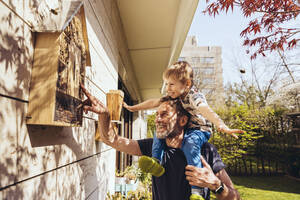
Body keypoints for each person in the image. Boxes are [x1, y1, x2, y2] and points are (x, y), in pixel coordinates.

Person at [80, 85, 241, 200]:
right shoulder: (153, 147)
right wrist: (105, 114)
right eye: (156, 114)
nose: (157, 119)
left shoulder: (206, 151)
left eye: (164, 114)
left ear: (183, 120)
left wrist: (216, 185)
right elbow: (112, 140)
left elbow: (236, 198)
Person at [123, 61, 244, 199]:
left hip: (199, 129)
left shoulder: (194, 96)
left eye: (171, 84)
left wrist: (220, 124)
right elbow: (153, 102)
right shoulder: (173, 96)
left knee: (190, 144)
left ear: (186, 84)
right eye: (166, 84)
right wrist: (132, 108)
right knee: (159, 134)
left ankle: (196, 191)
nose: (168, 88)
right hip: (189, 128)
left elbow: (204, 108)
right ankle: (156, 163)